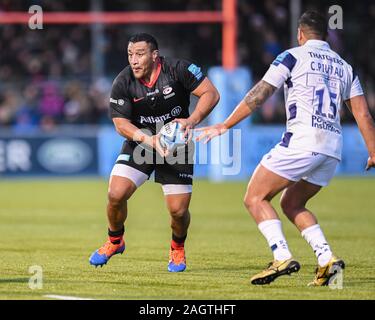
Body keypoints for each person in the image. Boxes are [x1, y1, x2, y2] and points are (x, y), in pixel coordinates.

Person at [197, 11, 375, 285]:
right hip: (331, 149)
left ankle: (281, 256)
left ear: (300, 34)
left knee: (254, 198)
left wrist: (224, 125)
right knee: (292, 202)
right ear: (325, 37)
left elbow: (261, 93)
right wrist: (373, 151)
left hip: (302, 141)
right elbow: (363, 114)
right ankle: (327, 260)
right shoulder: (345, 67)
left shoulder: (292, 56)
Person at [89, 33, 220, 272]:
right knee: (116, 194)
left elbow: (211, 94)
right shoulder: (123, 80)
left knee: (178, 211)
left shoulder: (179, 69)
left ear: (154, 55)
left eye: (139, 54)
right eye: (130, 55)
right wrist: (148, 139)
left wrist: (191, 121)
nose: (134, 60)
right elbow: (121, 124)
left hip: (176, 143)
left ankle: (177, 248)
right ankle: (115, 241)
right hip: (143, 140)